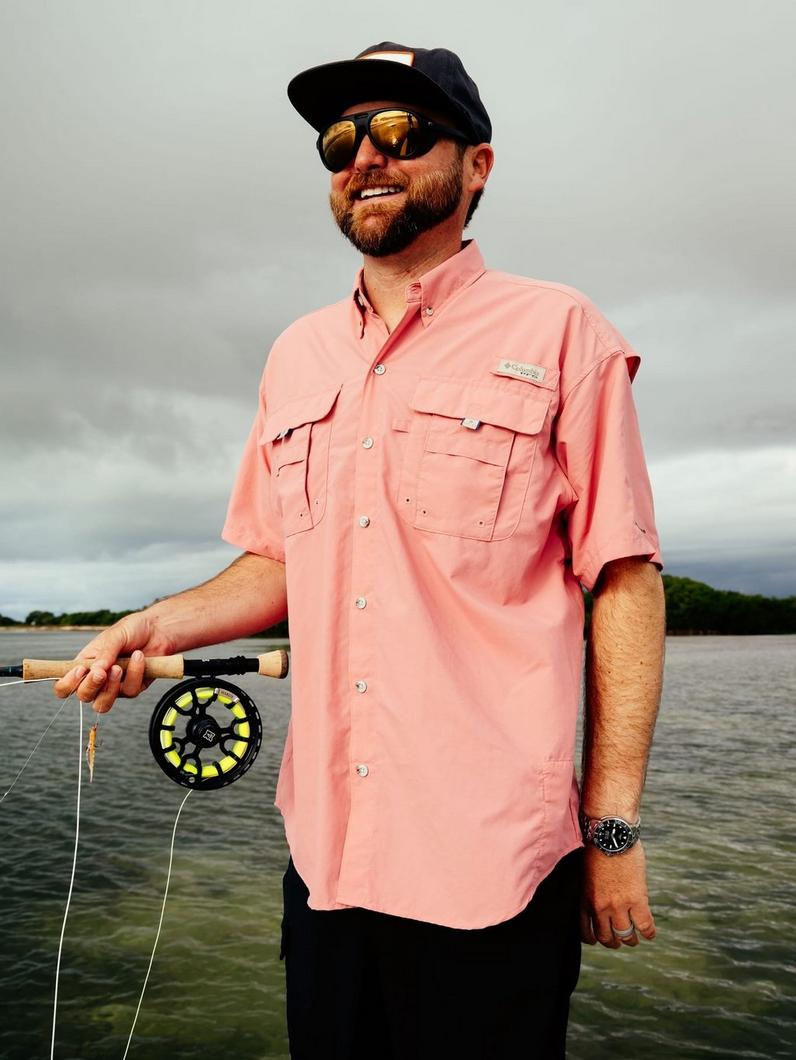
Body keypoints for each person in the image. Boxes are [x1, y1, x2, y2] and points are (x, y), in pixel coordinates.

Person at [55, 42, 666, 1059]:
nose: (364, 160)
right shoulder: (296, 355)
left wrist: (611, 834)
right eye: (339, 142)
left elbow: (625, 580)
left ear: (477, 166)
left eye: (401, 132)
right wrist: (149, 624)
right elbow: (275, 562)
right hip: (326, 866)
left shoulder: (565, 333)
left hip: (497, 870)